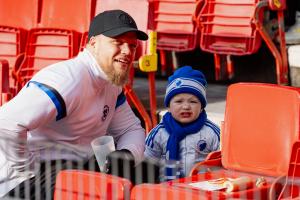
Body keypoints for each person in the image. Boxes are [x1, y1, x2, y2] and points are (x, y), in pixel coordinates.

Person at [0, 9, 148, 199]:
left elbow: (131, 129)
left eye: (132, 45)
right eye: (117, 42)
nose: (127, 51)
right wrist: (26, 173)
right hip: (21, 184)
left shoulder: (110, 82)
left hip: (73, 168)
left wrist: (126, 155)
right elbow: (7, 122)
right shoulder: (68, 79)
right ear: (93, 43)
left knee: (141, 173)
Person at [144, 66, 220, 181]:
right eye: (179, 101)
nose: (186, 106)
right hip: (166, 191)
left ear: (201, 107)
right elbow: (147, 164)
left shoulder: (212, 132)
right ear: (168, 107)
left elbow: (221, 163)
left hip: (200, 190)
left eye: (193, 101)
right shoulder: (158, 133)